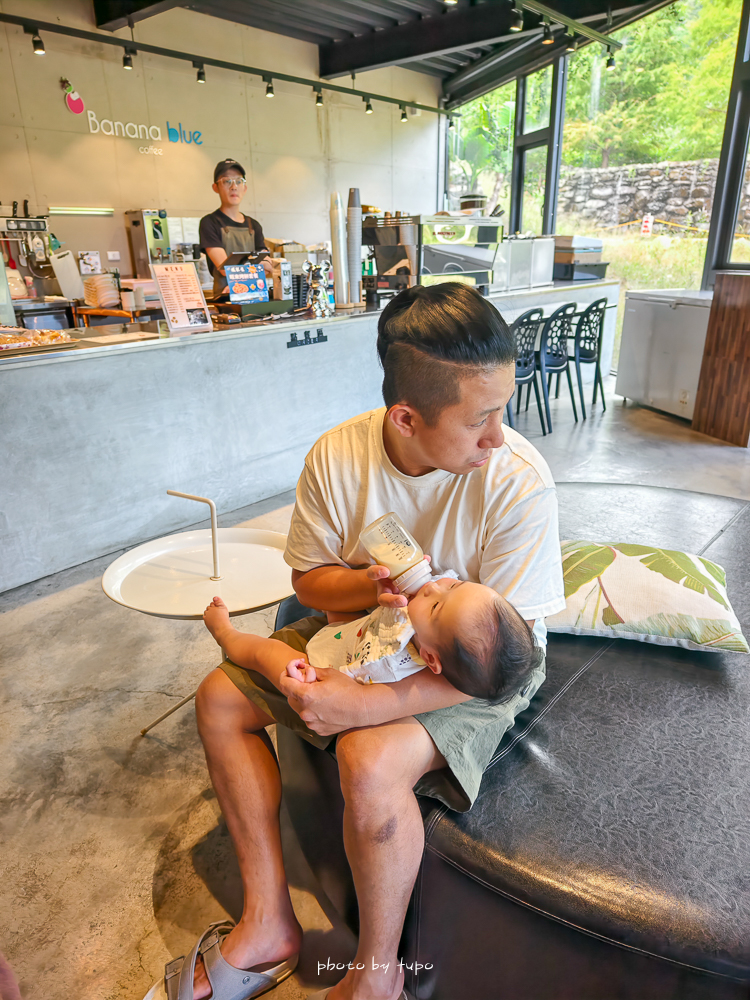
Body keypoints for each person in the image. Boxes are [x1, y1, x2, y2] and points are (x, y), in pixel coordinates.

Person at [146, 282, 565, 1000]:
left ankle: (377, 976)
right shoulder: (338, 457)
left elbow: (497, 660)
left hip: (471, 666)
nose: (500, 437)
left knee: (369, 758)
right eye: (483, 419)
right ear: (406, 417)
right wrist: (377, 592)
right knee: (219, 697)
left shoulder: (517, 481)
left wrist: (365, 709)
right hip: (379, 632)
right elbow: (308, 582)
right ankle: (269, 918)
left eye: (505, 407)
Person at [202, 565, 542, 700]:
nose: (433, 589)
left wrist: (312, 679)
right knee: (337, 606)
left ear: (429, 657)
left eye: (437, 607)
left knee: (267, 654)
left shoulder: (387, 663)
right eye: (455, 585)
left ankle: (226, 633)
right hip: (350, 633)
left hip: (325, 664)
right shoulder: (435, 624)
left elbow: (348, 677)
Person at [198, 158, 270, 297]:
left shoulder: (254, 225)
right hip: (226, 299)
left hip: (257, 296)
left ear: (245, 187)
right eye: (227, 181)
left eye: (239, 181)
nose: (234, 187)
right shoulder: (210, 223)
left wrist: (244, 270)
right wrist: (257, 268)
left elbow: (267, 265)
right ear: (215, 187)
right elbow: (225, 269)